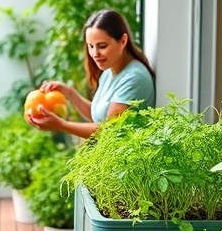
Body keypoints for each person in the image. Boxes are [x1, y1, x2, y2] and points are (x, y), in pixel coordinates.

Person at [26, 9, 156, 139]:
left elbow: (108, 130)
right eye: (91, 46)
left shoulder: (134, 78)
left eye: (102, 46)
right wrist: (69, 93)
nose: (94, 54)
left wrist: (62, 125)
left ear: (123, 41)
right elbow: (99, 116)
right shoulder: (109, 71)